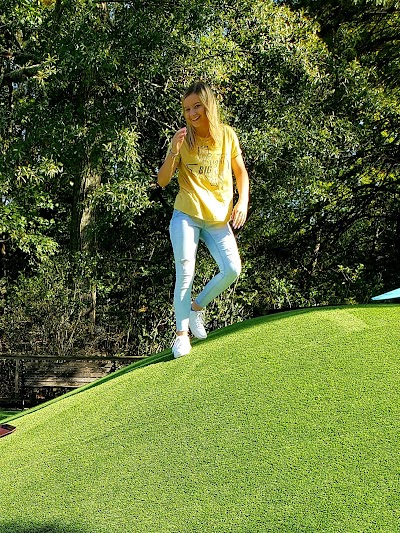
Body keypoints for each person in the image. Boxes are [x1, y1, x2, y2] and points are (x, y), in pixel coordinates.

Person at [157, 81, 249, 358]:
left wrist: (242, 201)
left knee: (232, 270)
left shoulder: (227, 135)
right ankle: (181, 336)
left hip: (218, 217)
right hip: (186, 213)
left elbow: (240, 172)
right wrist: (173, 149)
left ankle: (196, 308)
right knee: (185, 270)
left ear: (209, 104)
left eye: (197, 106)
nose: (192, 113)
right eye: (187, 109)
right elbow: (162, 181)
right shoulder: (182, 139)